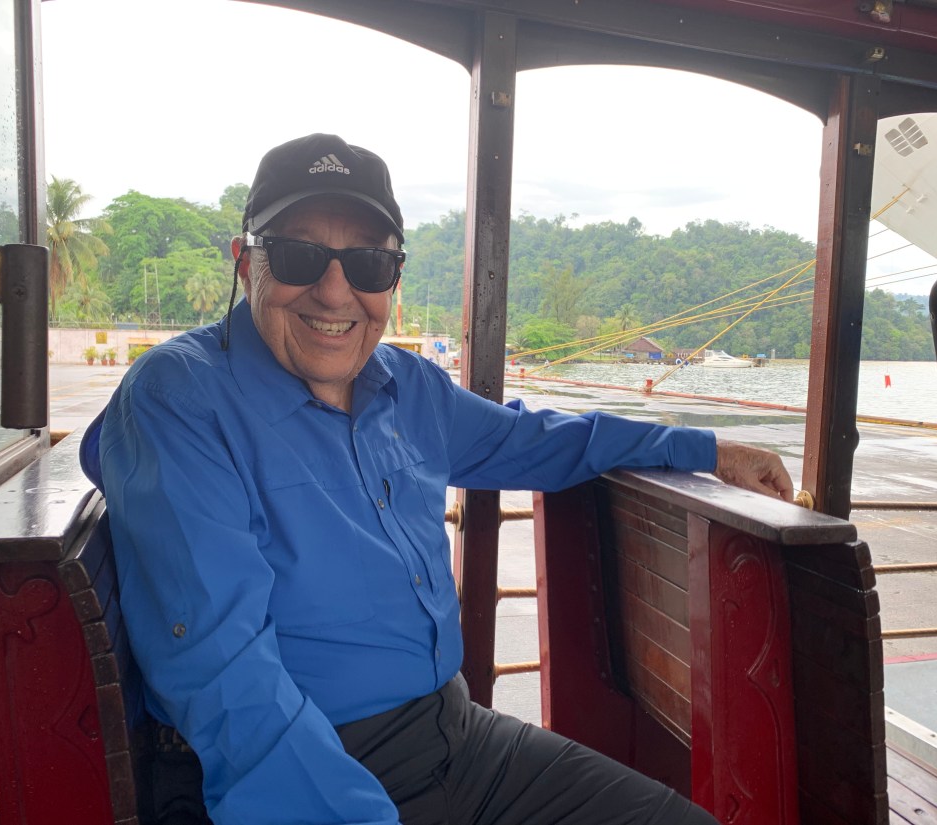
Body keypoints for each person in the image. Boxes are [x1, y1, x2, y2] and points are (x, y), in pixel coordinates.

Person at [80, 133, 793, 825]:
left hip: (458, 738)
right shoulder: (182, 399)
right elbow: (225, 677)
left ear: (392, 278)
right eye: (299, 255)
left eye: (368, 263)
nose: (335, 291)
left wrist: (706, 448)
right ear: (246, 264)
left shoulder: (407, 386)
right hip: (303, 764)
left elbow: (538, 439)